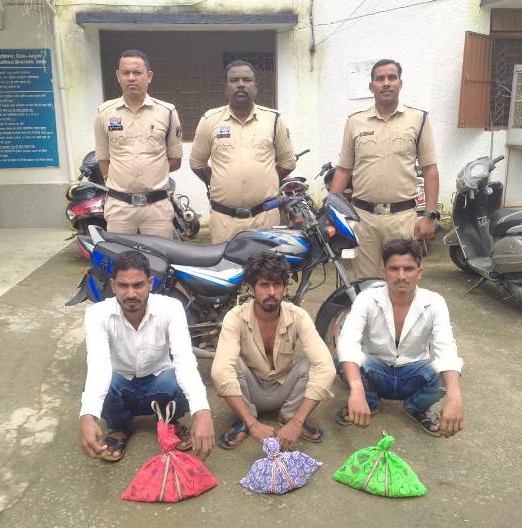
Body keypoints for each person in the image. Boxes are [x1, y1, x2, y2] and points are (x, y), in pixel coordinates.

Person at [79, 250, 214, 462]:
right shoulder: (97, 314)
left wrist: (202, 411)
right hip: (121, 385)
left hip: (159, 383)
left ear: (150, 283)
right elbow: (98, 366)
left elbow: (185, 360)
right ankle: (119, 428)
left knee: (180, 377)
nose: (131, 294)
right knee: (103, 383)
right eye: (123, 285)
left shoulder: (171, 308)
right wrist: (87, 415)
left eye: (138, 285)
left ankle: (169, 421)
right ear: (113, 285)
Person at [335, 238, 464, 438]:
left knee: (446, 374)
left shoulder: (435, 302)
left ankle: (416, 407)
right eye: (394, 269)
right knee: (341, 358)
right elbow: (348, 341)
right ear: (383, 272)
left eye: (408, 269)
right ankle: (369, 401)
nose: (401, 276)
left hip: (414, 374)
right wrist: (356, 389)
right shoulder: (366, 298)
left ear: (419, 272)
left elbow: (446, 348)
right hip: (376, 370)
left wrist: (455, 397)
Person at [211, 252, 335, 450]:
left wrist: (297, 421)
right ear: (251, 288)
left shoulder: (298, 316)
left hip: (284, 387)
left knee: (315, 365)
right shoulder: (235, 317)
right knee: (228, 365)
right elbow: (220, 372)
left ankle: (290, 417)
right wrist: (254, 425)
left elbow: (326, 367)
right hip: (249, 389)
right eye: (264, 285)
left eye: (277, 285)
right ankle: (246, 420)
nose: (272, 292)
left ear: (284, 287)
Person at [330, 59, 441, 278]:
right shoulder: (355, 122)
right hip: (363, 219)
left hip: (403, 219)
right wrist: (330, 212)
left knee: (401, 282)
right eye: (380, 79)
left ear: (401, 83)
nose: (386, 83)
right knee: (366, 284)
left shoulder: (418, 119)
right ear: (371, 86)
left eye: (392, 77)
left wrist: (429, 216)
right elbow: (343, 170)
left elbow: (430, 170)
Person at [190, 60, 296, 243]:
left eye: (247, 80)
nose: (240, 84)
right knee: (226, 262)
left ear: (256, 87)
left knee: (267, 262)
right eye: (234, 80)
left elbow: (288, 162)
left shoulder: (274, 120)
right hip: (224, 220)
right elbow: (197, 163)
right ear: (226, 88)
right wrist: (219, 181)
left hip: (265, 219)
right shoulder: (209, 120)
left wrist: (267, 179)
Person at [94, 49, 183, 237]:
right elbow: (103, 157)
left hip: (157, 207)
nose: (131, 78)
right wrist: (120, 180)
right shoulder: (105, 113)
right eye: (126, 73)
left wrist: (152, 173)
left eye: (137, 72)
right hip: (120, 207)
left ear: (149, 76)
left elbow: (175, 159)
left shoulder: (167, 112)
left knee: (159, 254)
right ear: (118, 76)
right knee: (120, 254)